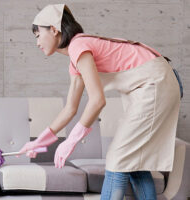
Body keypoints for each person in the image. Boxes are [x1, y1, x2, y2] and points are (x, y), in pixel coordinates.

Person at [17, 4, 181, 200]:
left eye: (37, 35)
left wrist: (71, 140)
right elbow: (70, 108)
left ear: (53, 29)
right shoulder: (75, 57)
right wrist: (38, 142)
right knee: (132, 160)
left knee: (118, 158)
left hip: (155, 84)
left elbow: (97, 100)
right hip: (147, 86)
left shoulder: (78, 46)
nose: (37, 42)